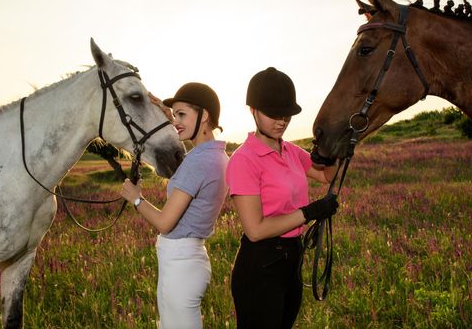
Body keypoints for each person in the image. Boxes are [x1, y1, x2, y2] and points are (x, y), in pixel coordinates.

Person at [225, 67, 339, 328]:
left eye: (286, 113)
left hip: (292, 258)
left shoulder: (290, 151)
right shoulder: (244, 160)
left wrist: (332, 151)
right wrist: (309, 213)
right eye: (273, 114)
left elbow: (326, 176)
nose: (282, 121)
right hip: (261, 265)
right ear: (252, 110)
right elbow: (255, 230)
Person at [120, 82, 229, 329]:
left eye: (182, 115)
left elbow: (164, 223)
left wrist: (136, 198)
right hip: (188, 261)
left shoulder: (198, 162)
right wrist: (170, 115)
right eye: (175, 114)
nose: (176, 121)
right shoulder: (216, 155)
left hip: (180, 263)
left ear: (205, 116)